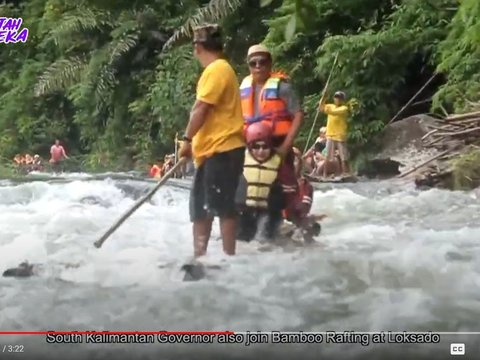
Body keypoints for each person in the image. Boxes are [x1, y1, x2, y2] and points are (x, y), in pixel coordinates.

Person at [178, 24, 245, 258]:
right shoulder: (222, 69)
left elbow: (200, 108)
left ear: (197, 47)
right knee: (201, 208)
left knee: (223, 206)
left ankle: (228, 257)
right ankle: (200, 257)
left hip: (223, 149)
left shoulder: (217, 70)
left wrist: (186, 140)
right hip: (212, 151)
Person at [240, 44, 304, 222]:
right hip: (252, 146)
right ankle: (249, 221)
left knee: (285, 185)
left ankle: (293, 218)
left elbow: (298, 114)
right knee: (252, 184)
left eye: (262, 62)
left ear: (270, 63)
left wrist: (286, 146)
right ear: (249, 66)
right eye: (253, 63)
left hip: (278, 143)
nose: (258, 66)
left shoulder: (283, 88)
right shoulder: (243, 89)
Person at [236, 122, 284, 242]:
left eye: (265, 147)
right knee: (241, 240)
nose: (261, 151)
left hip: (267, 212)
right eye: (256, 147)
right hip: (243, 210)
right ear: (249, 147)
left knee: (264, 240)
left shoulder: (278, 162)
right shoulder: (240, 160)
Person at [318, 91, 350, 178]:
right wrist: (323, 98)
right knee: (327, 155)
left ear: (342, 99)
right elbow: (321, 108)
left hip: (340, 135)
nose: (337, 99)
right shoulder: (330, 106)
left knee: (343, 156)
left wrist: (325, 108)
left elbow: (333, 112)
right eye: (336, 97)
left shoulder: (344, 108)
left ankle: (345, 173)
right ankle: (324, 175)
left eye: (339, 97)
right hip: (330, 134)